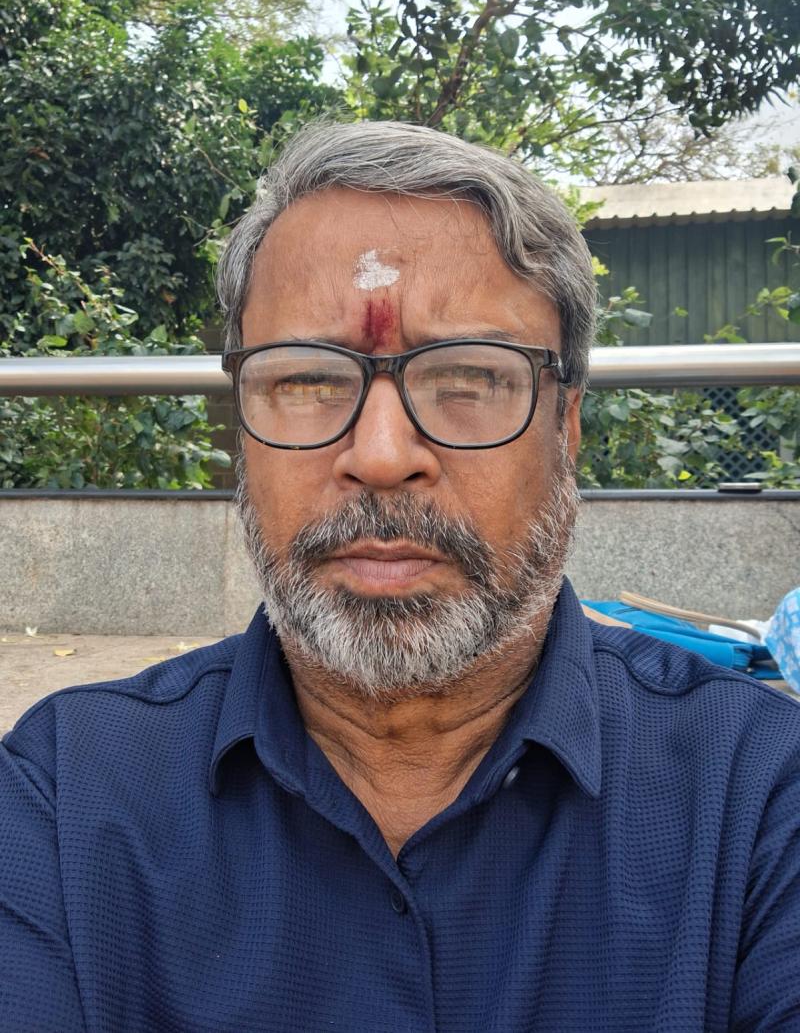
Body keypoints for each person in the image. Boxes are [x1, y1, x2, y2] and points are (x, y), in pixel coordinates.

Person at [1, 120, 799, 1033]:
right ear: (243, 428)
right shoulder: (63, 799)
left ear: (567, 428)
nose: (381, 456)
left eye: (468, 379)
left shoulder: (760, 796)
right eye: (307, 380)